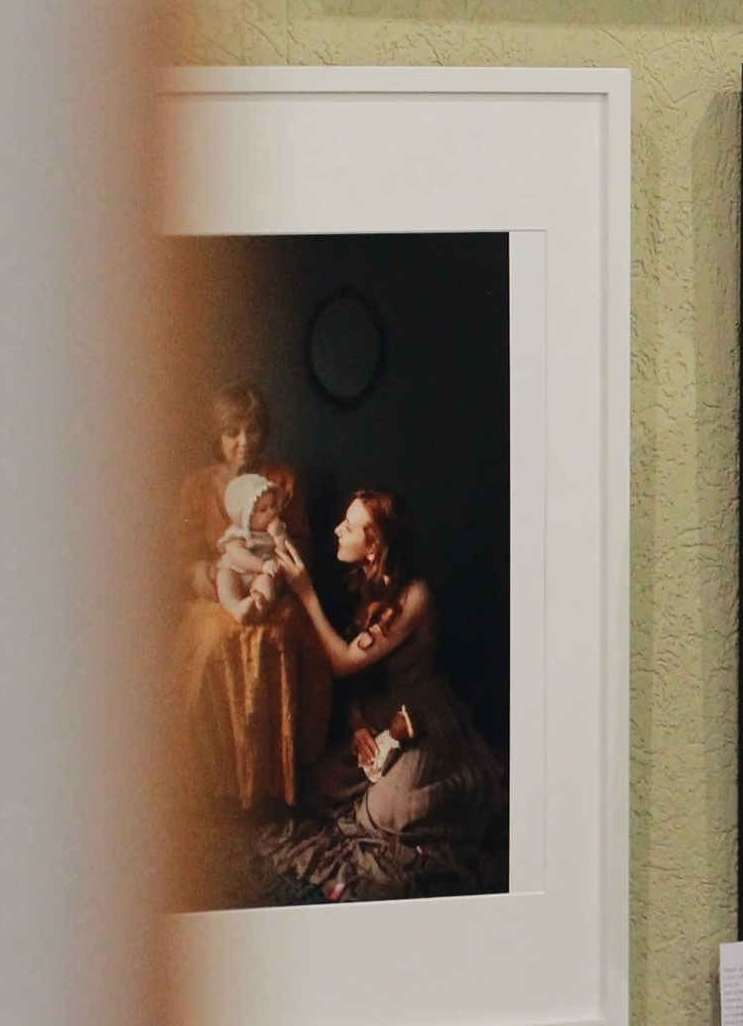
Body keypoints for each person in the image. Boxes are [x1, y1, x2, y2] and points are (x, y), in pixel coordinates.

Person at [261, 489, 506, 902]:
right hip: (379, 711)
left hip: (422, 716)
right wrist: (358, 724)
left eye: (350, 527)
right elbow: (360, 677)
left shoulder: (415, 596)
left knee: (389, 812)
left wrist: (305, 594)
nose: (338, 531)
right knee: (320, 786)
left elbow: (343, 662)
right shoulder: (365, 583)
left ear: (374, 544)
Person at [173, 383, 327, 813]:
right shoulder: (197, 486)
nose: (244, 441)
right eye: (232, 432)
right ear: (217, 436)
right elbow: (184, 557)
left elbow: (302, 546)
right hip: (218, 587)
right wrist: (208, 575)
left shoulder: (282, 480)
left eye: (253, 430)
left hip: (270, 580)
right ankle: (218, 782)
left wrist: (276, 562)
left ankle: (273, 784)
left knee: (276, 634)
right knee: (211, 642)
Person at [214, 472, 289, 626]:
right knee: (224, 577)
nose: (271, 512)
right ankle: (236, 608)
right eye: (263, 509)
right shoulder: (237, 533)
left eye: (273, 505)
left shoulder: (277, 528)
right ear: (246, 516)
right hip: (238, 571)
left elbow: (286, 553)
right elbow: (237, 556)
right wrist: (261, 565)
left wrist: (279, 537)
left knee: (267, 583)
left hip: (261, 574)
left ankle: (259, 606)